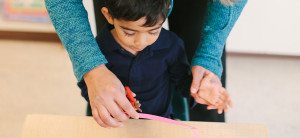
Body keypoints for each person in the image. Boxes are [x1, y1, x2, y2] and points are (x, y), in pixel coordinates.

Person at [45, 0, 247, 127]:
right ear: (109, 16)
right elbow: (89, 86)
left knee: (204, 105)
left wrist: (200, 88)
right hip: (118, 127)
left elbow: (185, 82)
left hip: (164, 122)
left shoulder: (172, 47)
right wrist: (93, 70)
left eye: (153, 31)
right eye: (129, 32)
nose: (140, 44)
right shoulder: (102, 46)